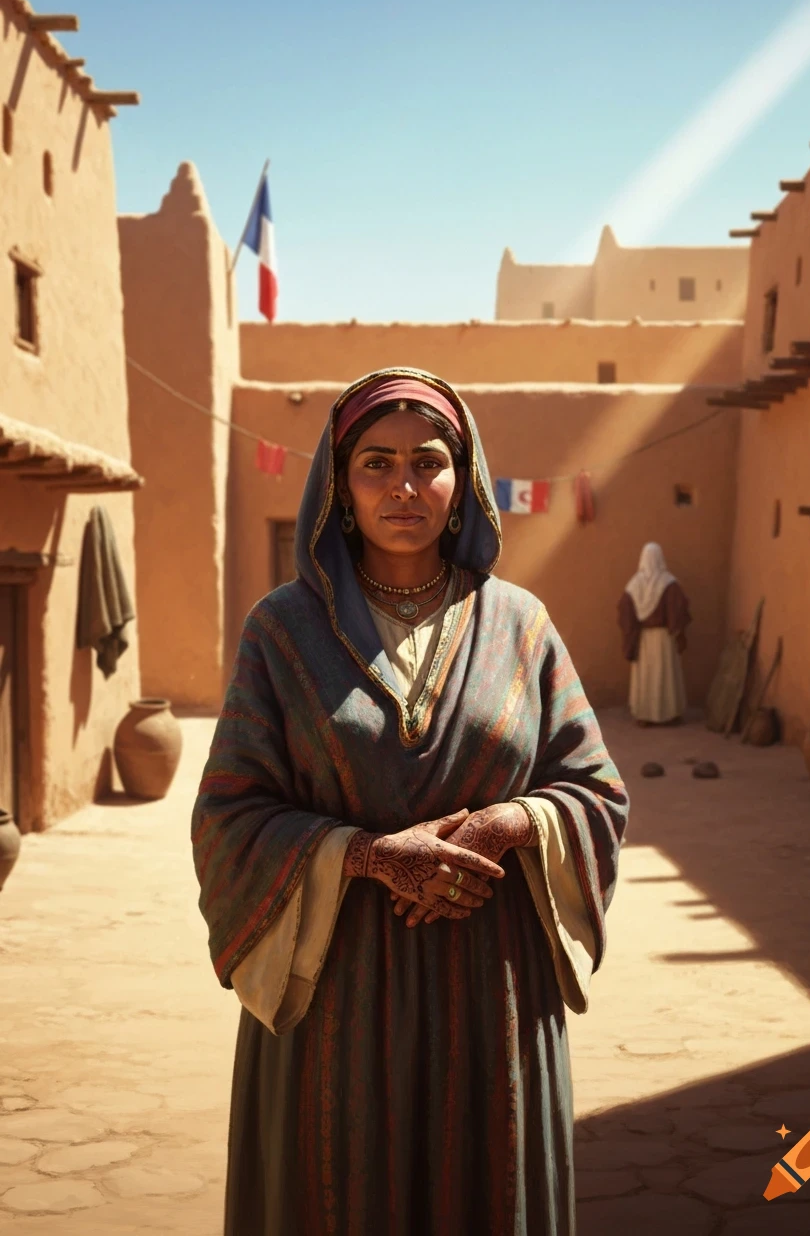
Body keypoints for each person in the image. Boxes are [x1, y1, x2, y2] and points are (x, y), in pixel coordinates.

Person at [192, 367, 629, 1236]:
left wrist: (512, 826)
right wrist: (366, 854)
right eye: (376, 463)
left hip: (492, 991)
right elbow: (229, 815)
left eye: (429, 463)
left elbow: (595, 789)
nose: (404, 487)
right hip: (335, 999)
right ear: (340, 487)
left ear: (462, 485)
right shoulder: (281, 632)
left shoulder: (521, 625)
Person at [617, 541, 691, 726]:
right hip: (664, 638)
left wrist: (633, 629)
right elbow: (679, 609)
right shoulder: (669, 583)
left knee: (647, 676)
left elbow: (624, 609)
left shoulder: (634, 585)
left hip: (643, 638)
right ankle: (668, 714)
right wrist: (677, 631)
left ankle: (645, 715)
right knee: (665, 674)